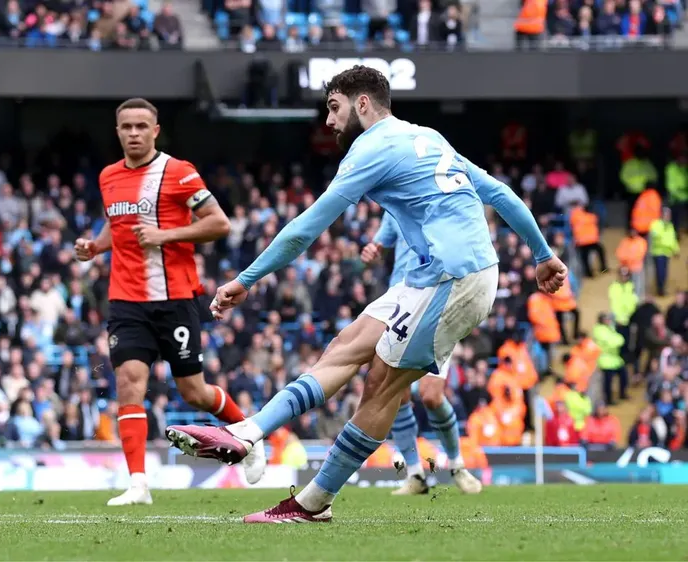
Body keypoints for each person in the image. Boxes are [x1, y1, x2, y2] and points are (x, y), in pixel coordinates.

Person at [165, 66, 565, 523]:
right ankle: (248, 431)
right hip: (427, 277)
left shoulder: (370, 148)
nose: (329, 122)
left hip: (457, 278)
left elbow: (306, 228)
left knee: (382, 386)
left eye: (334, 109)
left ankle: (312, 503)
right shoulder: (428, 137)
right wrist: (542, 254)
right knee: (345, 348)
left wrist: (245, 279)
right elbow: (500, 193)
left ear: (361, 104)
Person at [74, 98, 266, 507]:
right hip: (126, 299)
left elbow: (219, 223)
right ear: (118, 131)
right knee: (128, 382)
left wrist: (164, 236)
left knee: (194, 391)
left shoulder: (178, 173)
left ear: (156, 130)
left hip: (175, 297)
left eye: (142, 126)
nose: (134, 133)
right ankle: (138, 484)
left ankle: (250, 431)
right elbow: (117, 224)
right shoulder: (109, 176)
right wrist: (95, 246)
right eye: (126, 126)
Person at [364, 212, 482, 495]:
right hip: (400, 303)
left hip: (437, 304)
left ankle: (457, 465)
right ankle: (415, 474)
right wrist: (374, 250)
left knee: (431, 395)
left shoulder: (444, 202)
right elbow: (381, 243)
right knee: (396, 393)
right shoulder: (393, 205)